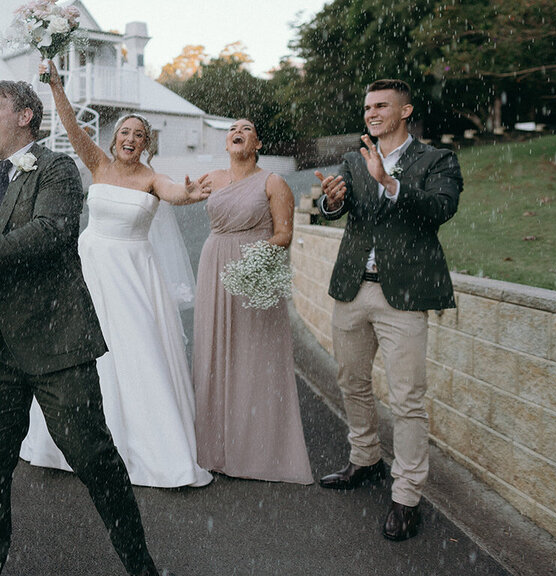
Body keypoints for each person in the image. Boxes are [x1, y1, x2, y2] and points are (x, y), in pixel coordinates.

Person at [0, 79, 172, 576]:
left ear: (25, 116)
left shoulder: (58, 168)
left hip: (57, 345)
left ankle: (141, 565)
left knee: (94, 459)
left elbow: (52, 231)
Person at [19, 59, 213, 488]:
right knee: (79, 350)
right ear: (114, 139)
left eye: (138, 134)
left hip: (132, 277)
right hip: (90, 270)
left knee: (136, 351)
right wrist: (56, 87)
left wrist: (190, 193)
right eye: (124, 132)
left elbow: (174, 193)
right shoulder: (98, 164)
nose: (130, 138)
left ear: (146, 144)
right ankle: (70, 445)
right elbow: (70, 127)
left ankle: (148, 449)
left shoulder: (152, 178)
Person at [314, 78, 463, 542]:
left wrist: (389, 182)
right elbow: (338, 210)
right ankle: (364, 460)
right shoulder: (354, 158)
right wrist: (331, 202)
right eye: (366, 107)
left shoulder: (437, 160)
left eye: (381, 106)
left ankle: (407, 496)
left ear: (405, 111)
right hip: (354, 287)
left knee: (407, 399)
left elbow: (441, 209)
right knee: (352, 382)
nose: (371, 113)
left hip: (405, 295)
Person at [191, 119, 313, 484]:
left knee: (255, 357)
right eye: (232, 129)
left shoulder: (273, 182)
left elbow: (284, 234)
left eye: (246, 128)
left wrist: (252, 262)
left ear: (257, 142)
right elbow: (178, 195)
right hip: (213, 268)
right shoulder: (212, 177)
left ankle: (257, 451)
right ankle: (213, 448)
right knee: (213, 352)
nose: (237, 131)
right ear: (227, 142)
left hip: (254, 275)